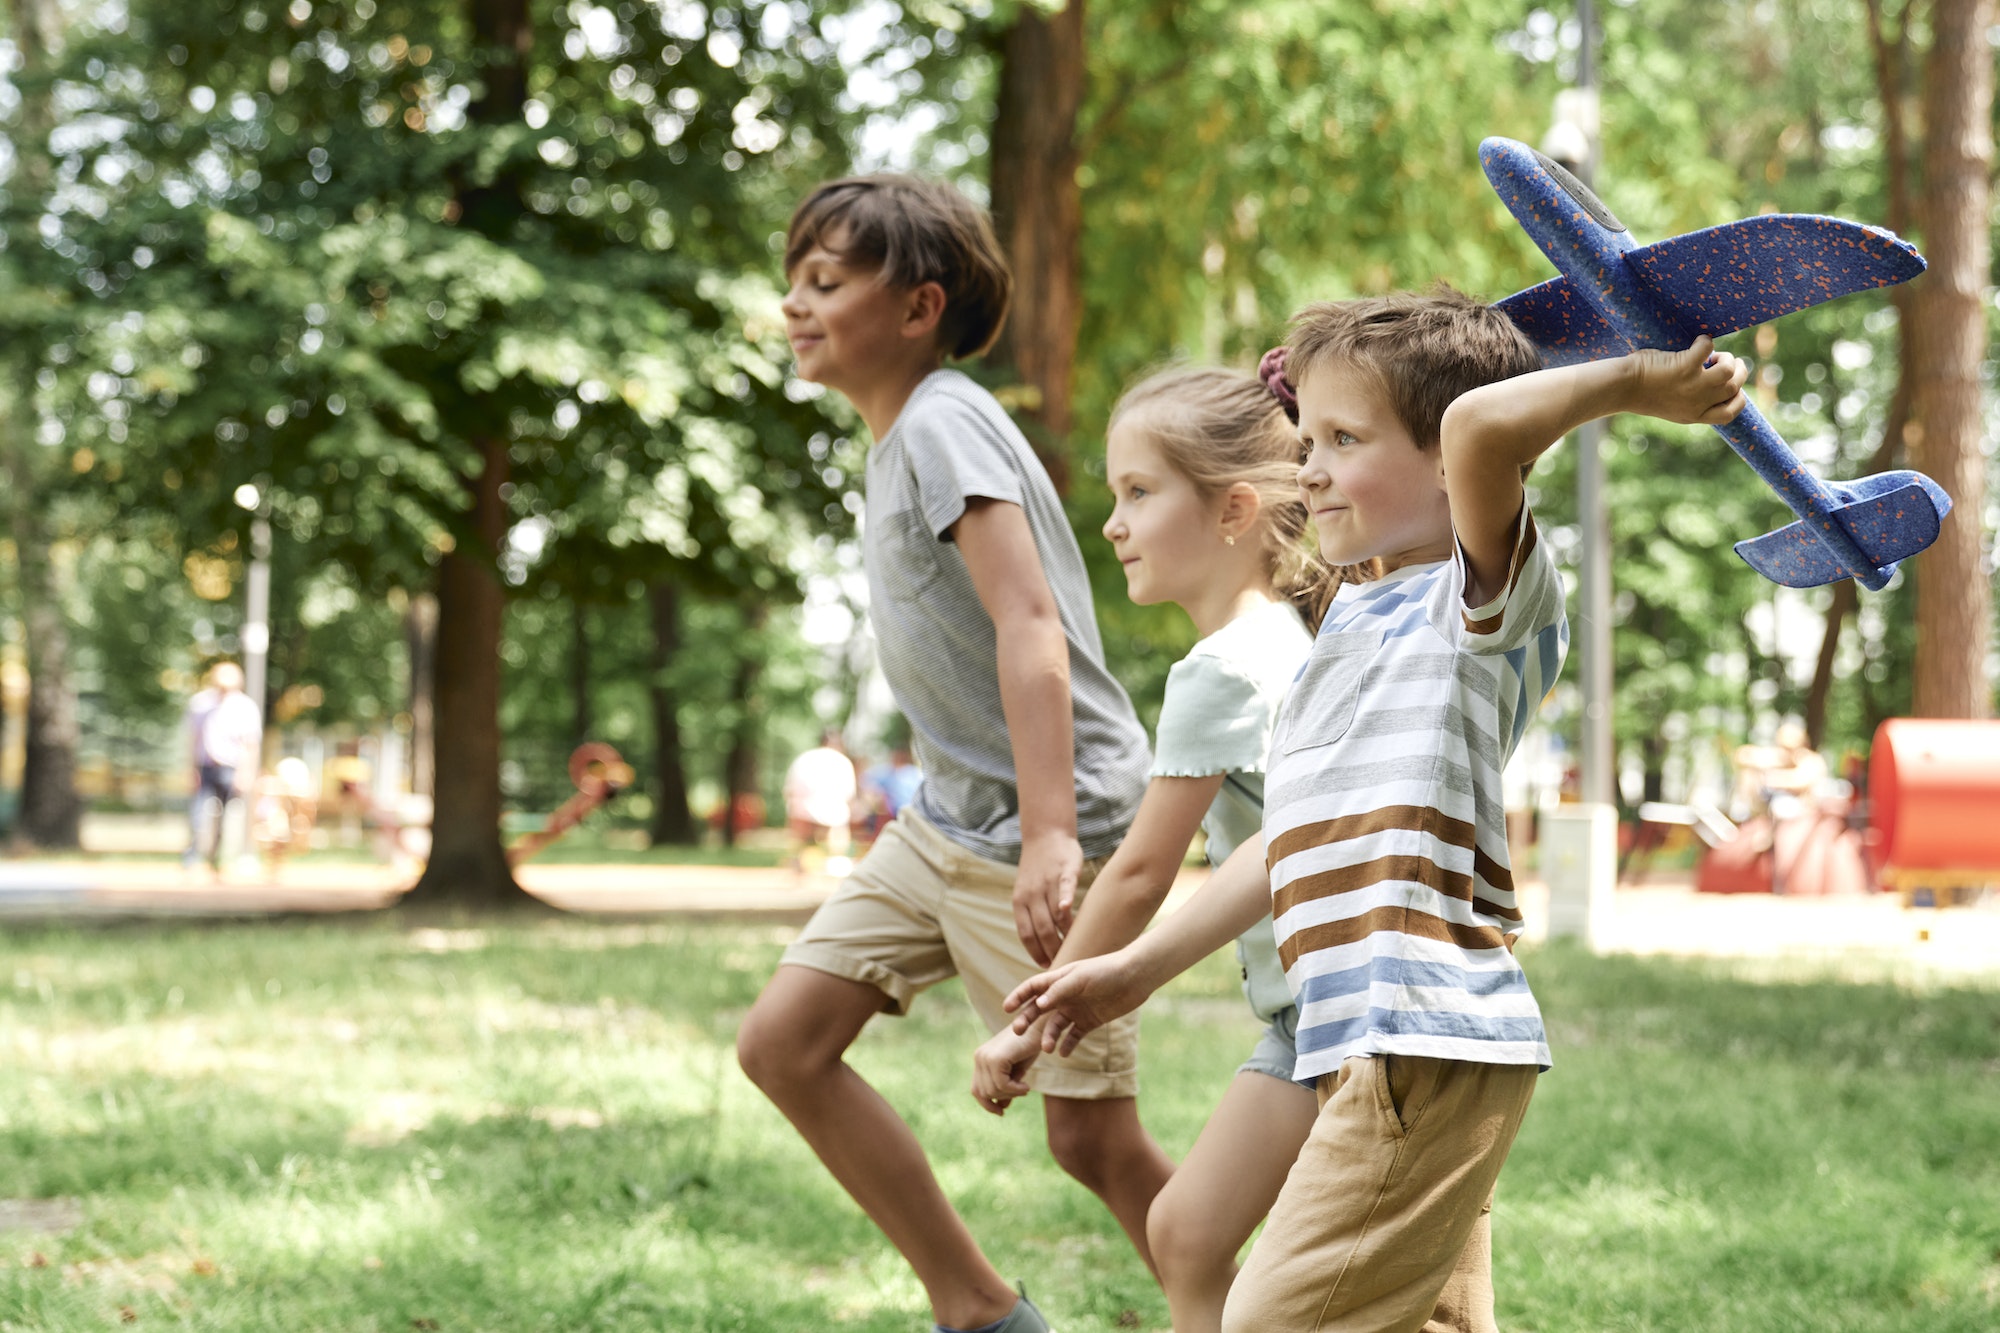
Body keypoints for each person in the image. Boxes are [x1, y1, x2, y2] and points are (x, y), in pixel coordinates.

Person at [1005, 292, 1749, 1332]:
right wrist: (1126, 971)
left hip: (1419, 1041)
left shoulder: (1476, 605)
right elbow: (1288, 841)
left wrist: (1636, 380)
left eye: (1341, 441)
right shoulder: (1350, 618)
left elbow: (1479, 427)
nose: (1306, 467)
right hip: (1368, 1045)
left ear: (1446, 468)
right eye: (1304, 439)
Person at [734, 174, 1168, 1333]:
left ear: (917, 308)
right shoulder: (896, 440)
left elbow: (1027, 621)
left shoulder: (940, 419)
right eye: (793, 281)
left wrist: (1046, 836)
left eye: (826, 281)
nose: (795, 304)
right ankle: (977, 1310)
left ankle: (1265, 1318)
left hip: (1045, 815)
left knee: (1090, 1139)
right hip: (943, 820)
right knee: (784, 1043)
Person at [967, 364, 1359, 1333]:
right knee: (1185, 1230)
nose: (1112, 523)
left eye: (1138, 493)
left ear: (1231, 510)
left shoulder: (1222, 667)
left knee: (1242, 1248)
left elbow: (1141, 871)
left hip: (1338, 1022)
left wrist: (1029, 1018)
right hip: (1313, 1017)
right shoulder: (1294, 639)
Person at [181, 661, 262, 874]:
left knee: (232, 817)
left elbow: (250, 744)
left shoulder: (245, 707)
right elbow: (193, 738)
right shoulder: (200, 704)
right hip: (206, 766)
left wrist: (246, 772)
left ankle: (225, 859)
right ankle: (195, 857)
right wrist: (191, 768)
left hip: (232, 767)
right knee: (200, 814)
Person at [784, 731, 859, 877]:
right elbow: (849, 793)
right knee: (839, 828)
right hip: (832, 811)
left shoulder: (804, 758)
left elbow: (790, 788)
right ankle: (836, 859)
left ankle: (799, 863)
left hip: (802, 810)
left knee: (801, 834)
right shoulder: (841, 761)